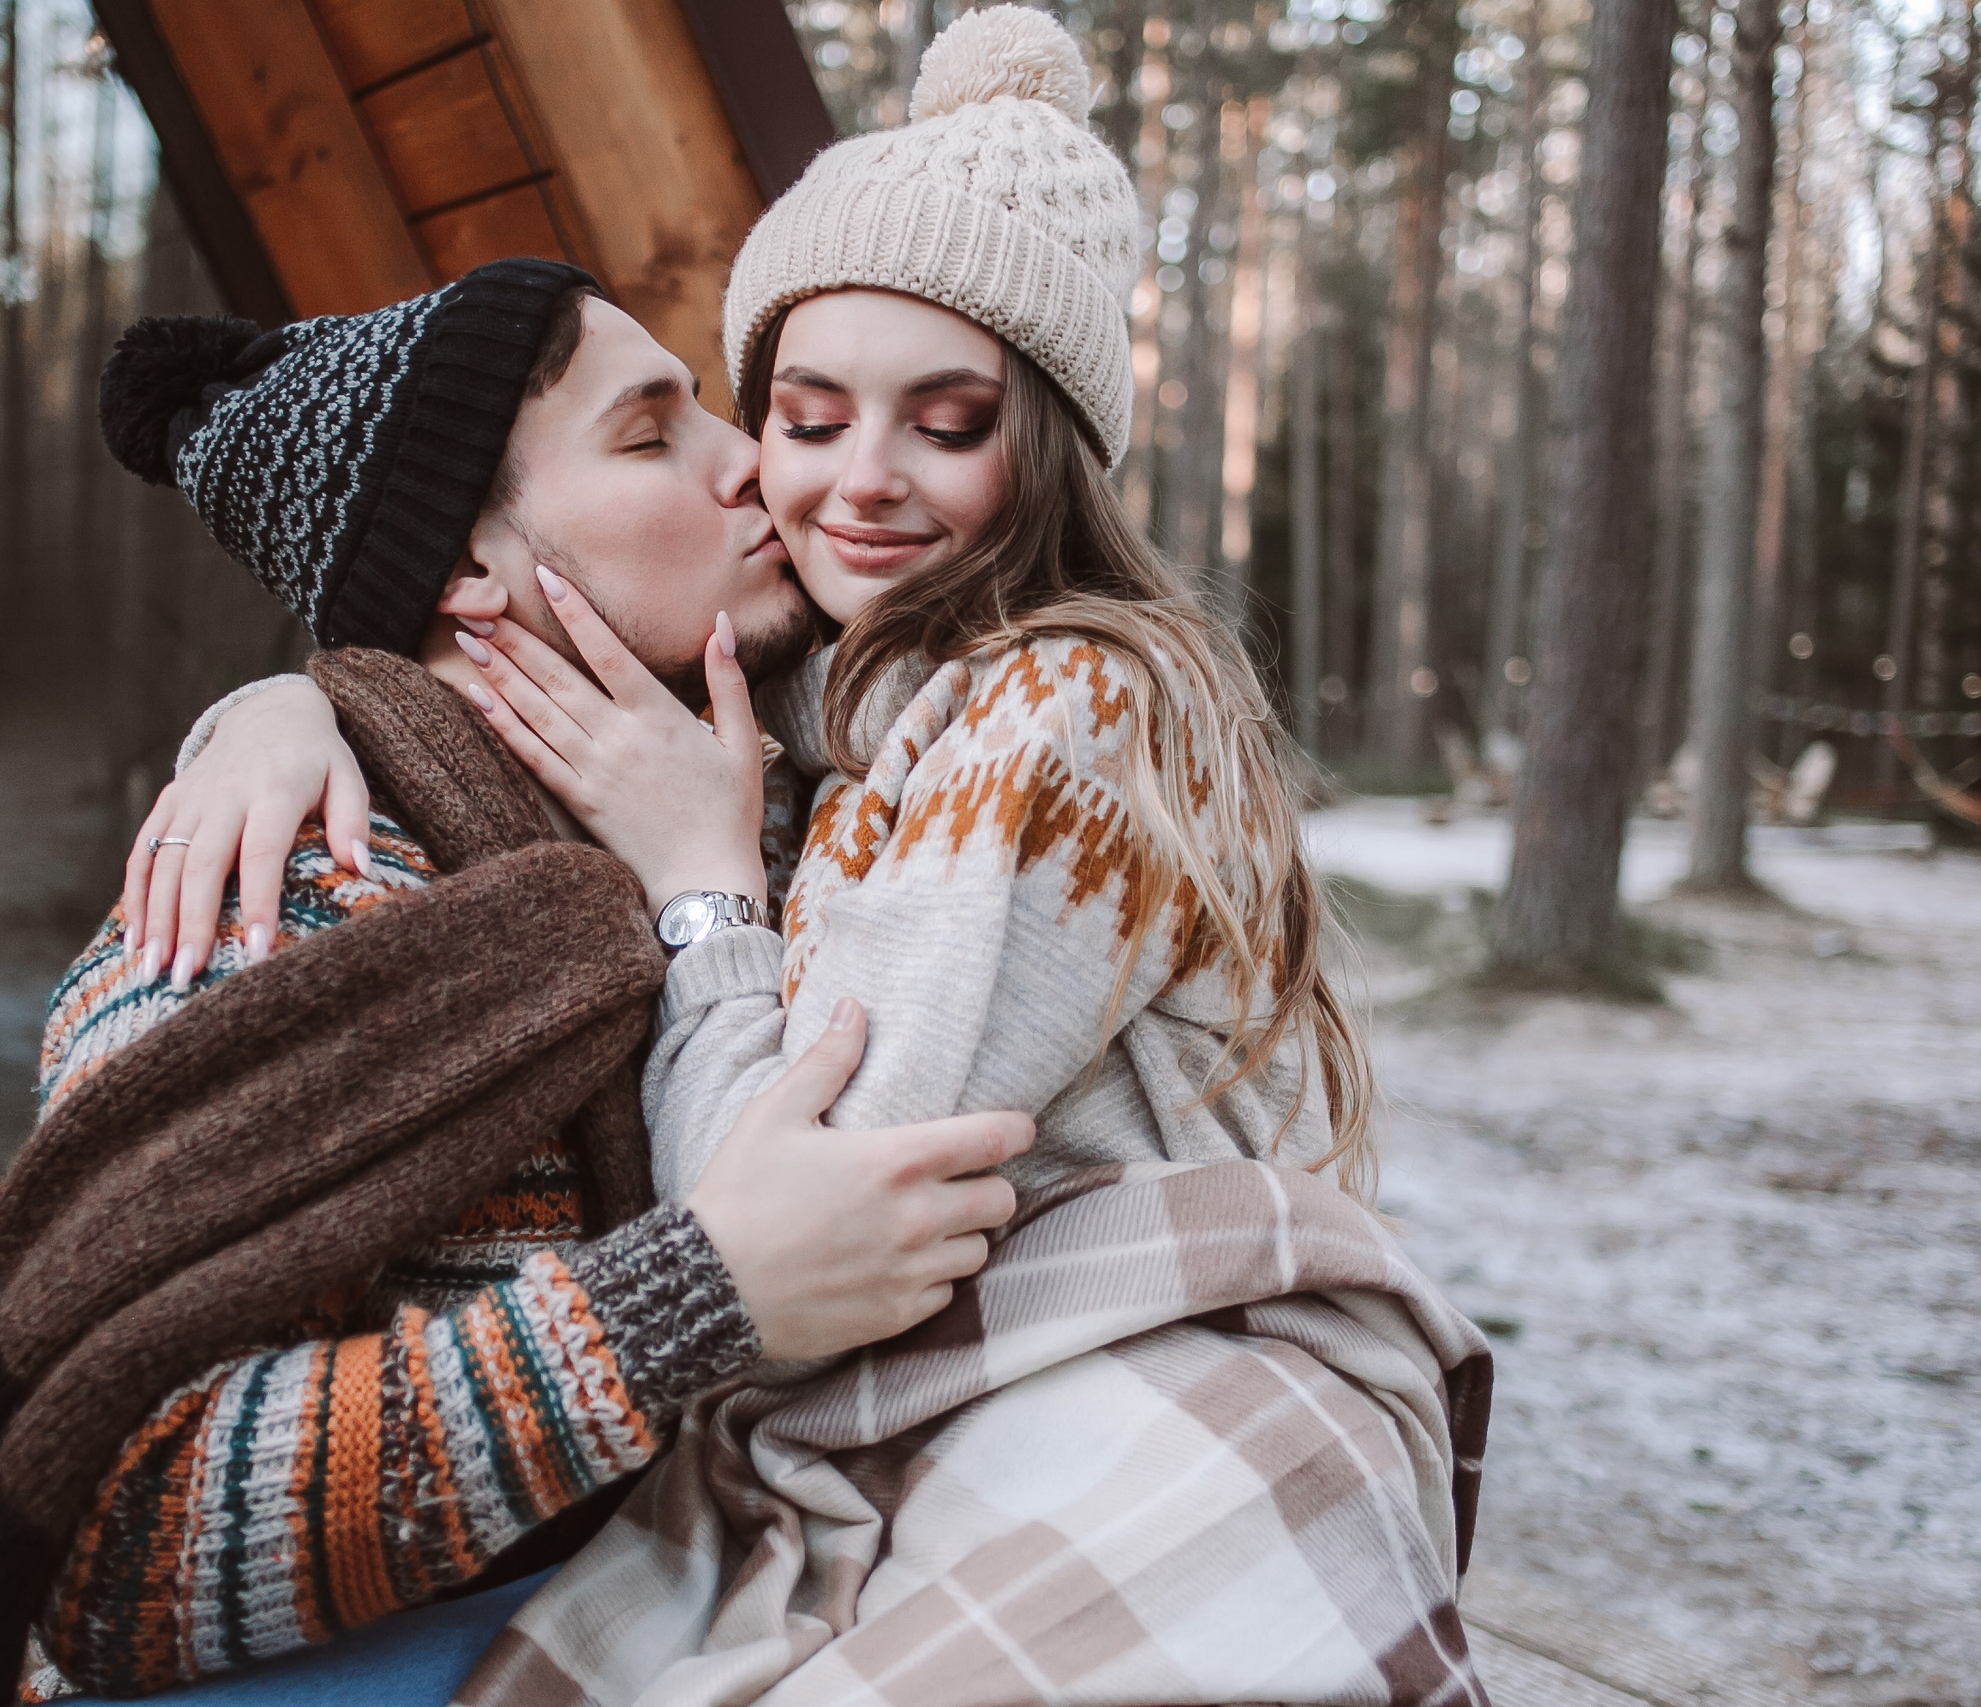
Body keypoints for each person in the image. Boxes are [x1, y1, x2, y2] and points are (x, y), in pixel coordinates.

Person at [160, 14, 1491, 1705]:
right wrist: (288, 706)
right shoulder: (832, 692)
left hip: (1138, 1400)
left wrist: (703, 881)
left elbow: (791, 1207)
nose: (855, 482)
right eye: (802, 416)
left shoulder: (1068, 707)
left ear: (1047, 448)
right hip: (931, 1416)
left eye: (948, 423)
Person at [0, 259, 1035, 1707]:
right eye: (650, 433)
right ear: (465, 573)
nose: (749, 457)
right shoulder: (281, 897)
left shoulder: (791, 809)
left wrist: (280, 699)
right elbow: (106, 1535)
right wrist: (693, 1300)